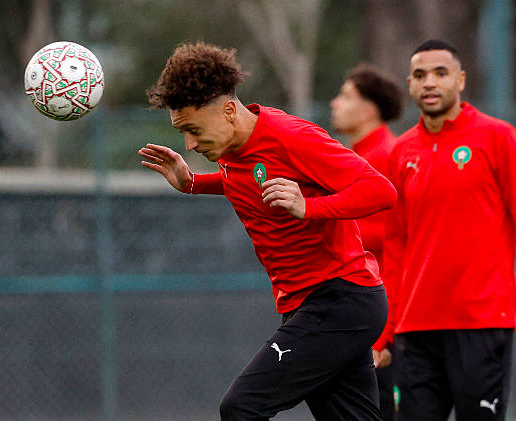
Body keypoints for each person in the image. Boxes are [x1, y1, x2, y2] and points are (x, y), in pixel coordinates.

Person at [138, 41, 398, 421]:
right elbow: (246, 179)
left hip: (339, 299)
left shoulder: (291, 137)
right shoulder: (230, 146)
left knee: (241, 407)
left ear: (229, 111)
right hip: (311, 304)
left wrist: (309, 207)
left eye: (194, 130)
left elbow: (381, 191)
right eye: (183, 132)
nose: (190, 144)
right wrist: (193, 182)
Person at [383, 39, 516, 420]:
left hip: (482, 323)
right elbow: (395, 246)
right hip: (415, 330)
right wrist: (387, 330)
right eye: (420, 75)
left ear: (461, 80)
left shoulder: (497, 137)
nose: (430, 82)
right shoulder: (402, 151)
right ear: (410, 84)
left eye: (440, 73)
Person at [330, 63, 402, 421]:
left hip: (385, 318)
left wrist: (385, 333)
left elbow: (395, 247)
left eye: (346, 96)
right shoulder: (355, 159)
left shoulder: (387, 158)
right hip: (362, 312)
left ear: (371, 108)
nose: (335, 103)